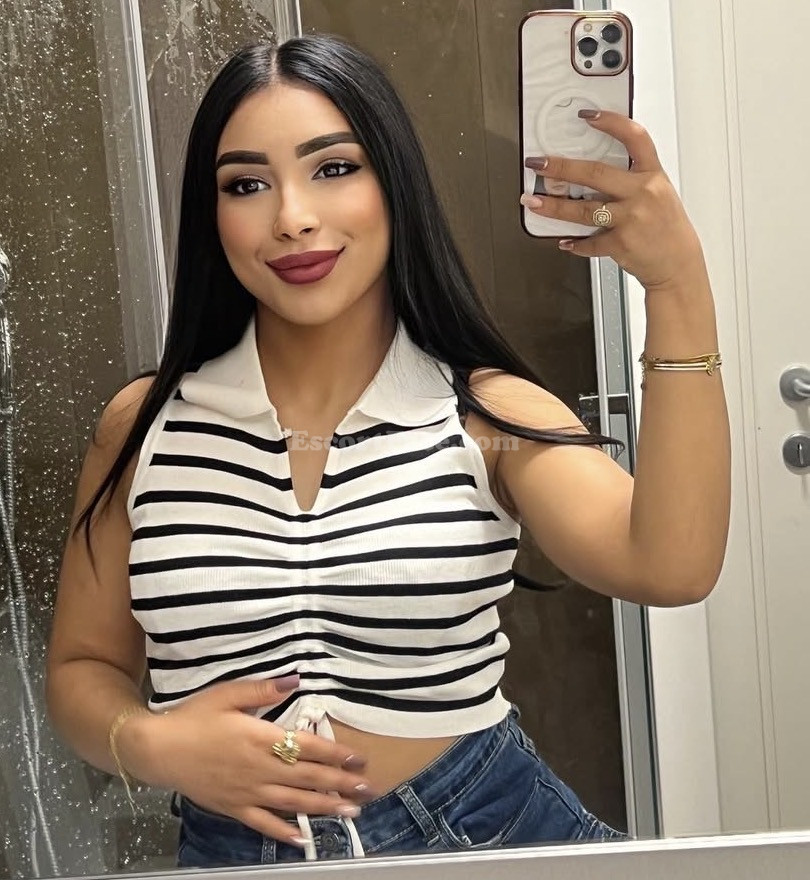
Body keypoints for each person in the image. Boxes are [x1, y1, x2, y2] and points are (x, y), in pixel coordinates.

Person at [46, 34, 730, 869]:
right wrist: (152, 745)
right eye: (247, 184)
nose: (292, 217)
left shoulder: (483, 414)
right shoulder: (143, 426)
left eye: (334, 168)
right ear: (210, 211)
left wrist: (676, 285)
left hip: (480, 837)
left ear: (393, 184)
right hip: (230, 853)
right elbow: (83, 666)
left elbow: (671, 565)